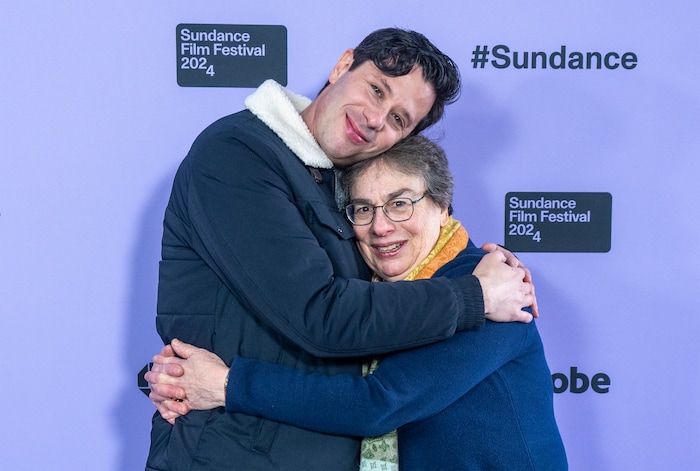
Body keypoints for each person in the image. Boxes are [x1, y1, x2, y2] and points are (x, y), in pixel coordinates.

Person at [146, 28, 536, 471]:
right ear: (341, 65)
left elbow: (422, 247)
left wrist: (496, 269)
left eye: (398, 120)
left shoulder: (343, 177)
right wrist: (478, 295)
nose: (374, 118)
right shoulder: (237, 155)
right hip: (232, 454)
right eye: (376, 89)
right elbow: (320, 315)